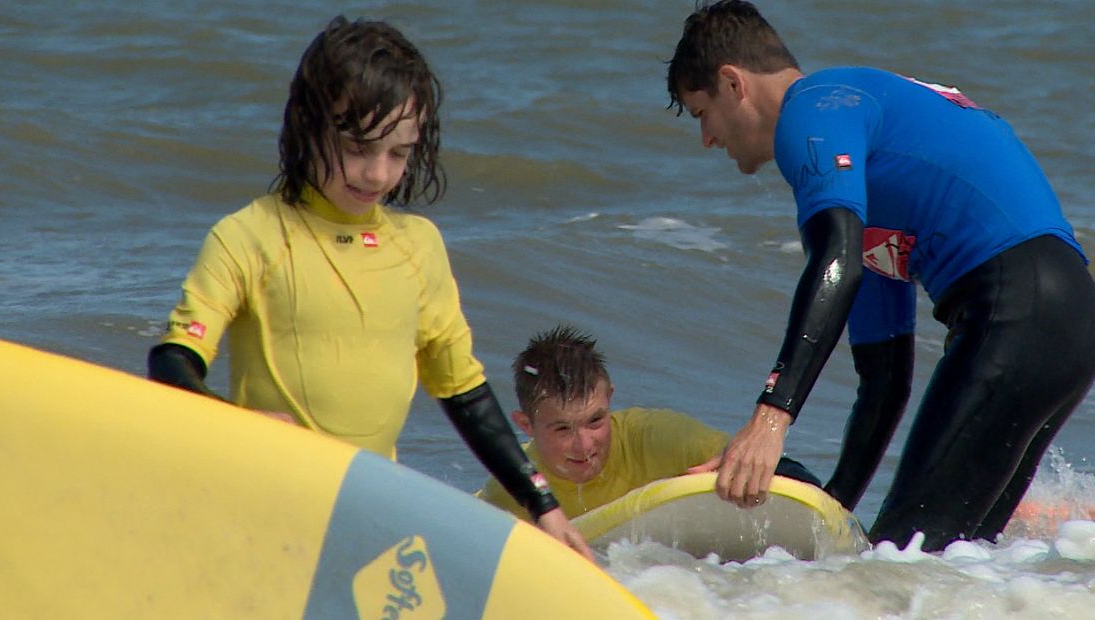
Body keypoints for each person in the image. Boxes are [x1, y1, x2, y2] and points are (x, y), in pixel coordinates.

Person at [147, 16, 591, 560]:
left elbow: (464, 393)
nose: (377, 174)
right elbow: (173, 363)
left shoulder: (418, 246)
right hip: (262, 505)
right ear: (309, 125)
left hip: (368, 516)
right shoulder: (251, 236)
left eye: (399, 153)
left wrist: (541, 503)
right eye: (357, 147)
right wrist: (231, 420)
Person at [667, 1, 1095, 551]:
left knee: (907, 559)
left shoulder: (814, 109)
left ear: (733, 84)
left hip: (1017, 311)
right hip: (1067, 323)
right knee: (946, 561)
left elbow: (834, 260)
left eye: (700, 112)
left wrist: (770, 419)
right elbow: (885, 379)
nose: (706, 138)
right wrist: (833, 511)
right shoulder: (869, 164)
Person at [478, 325, 821, 520]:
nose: (584, 445)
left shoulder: (655, 436)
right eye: (563, 429)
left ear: (610, 397)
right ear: (525, 425)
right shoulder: (512, 488)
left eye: (595, 420)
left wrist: (737, 473)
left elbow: (791, 477)